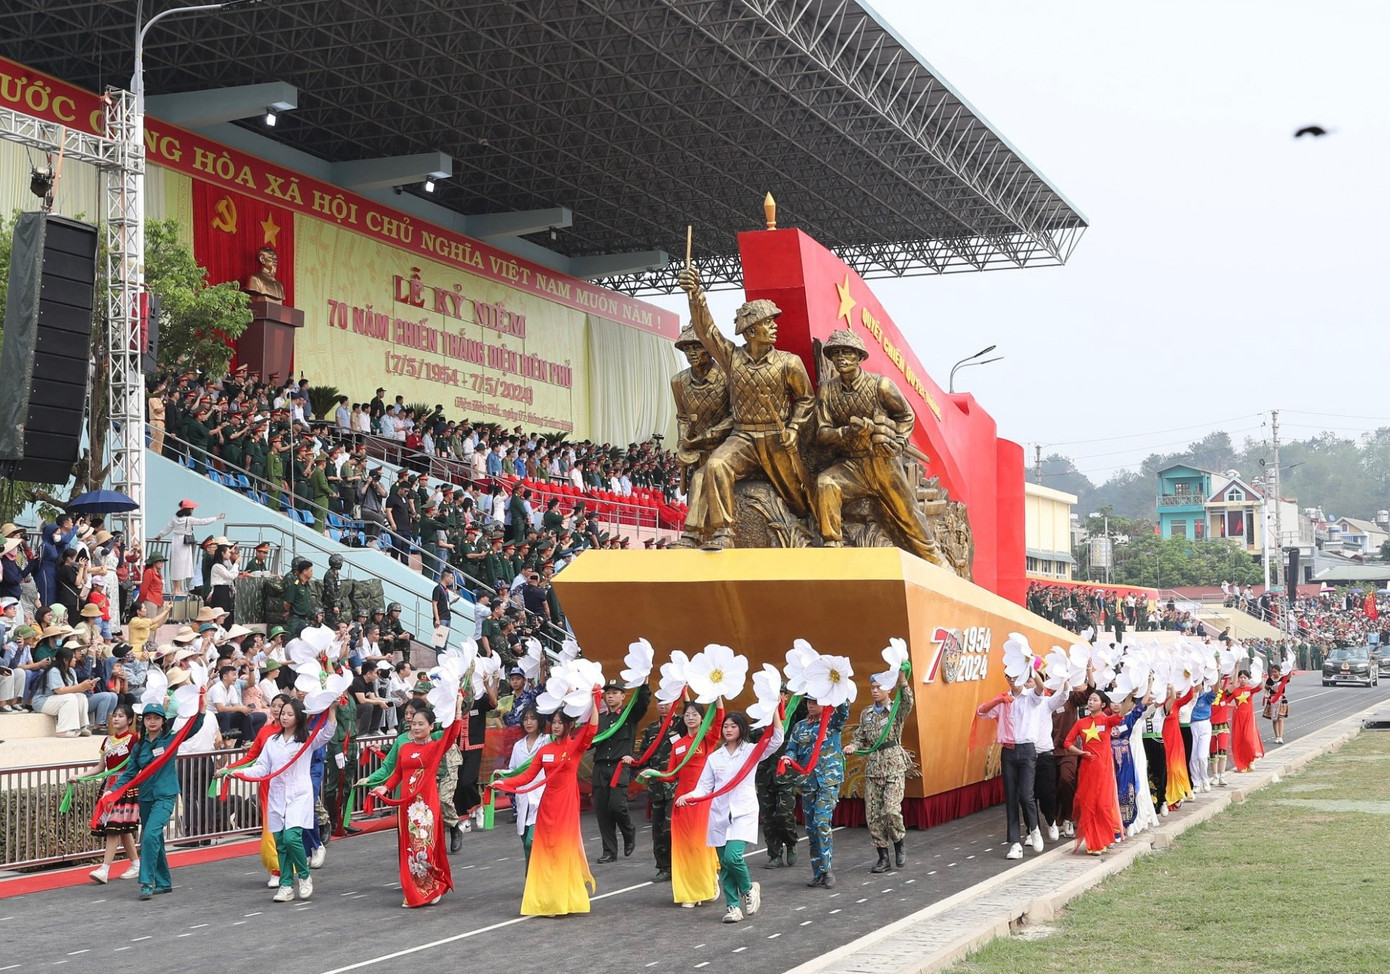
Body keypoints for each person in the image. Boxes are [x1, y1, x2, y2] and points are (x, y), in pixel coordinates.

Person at [677, 265, 815, 549]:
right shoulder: (731, 358)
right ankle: (723, 532)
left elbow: (805, 400)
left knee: (798, 500)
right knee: (716, 464)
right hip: (742, 436)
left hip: (776, 439)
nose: (775, 326)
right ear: (751, 331)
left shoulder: (789, 363)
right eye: (769, 322)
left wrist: (794, 428)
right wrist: (695, 294)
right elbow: (706, 330)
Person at [487, 697, 600, 916]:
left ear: (569, 725)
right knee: (546, 850)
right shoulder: (545, 750)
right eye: (554, 722)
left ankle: (561, 900)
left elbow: (592, 728)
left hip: (566, 805)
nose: (556, 726)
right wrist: (504, 783)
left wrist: (595, 697)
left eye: (560, 722)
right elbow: (527, 776)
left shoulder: (575, 746)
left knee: (561, 850)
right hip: (546, 805)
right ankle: (547, 899)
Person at [677, 711, 783, 924]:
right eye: (726, 726)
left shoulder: (751, 751)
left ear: (742, 728)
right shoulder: (714, 757)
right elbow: (704, 787)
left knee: (732, 857)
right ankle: (733, 907)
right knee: (725, 866)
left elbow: (777, 740)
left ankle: (748, 888)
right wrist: (688, 796)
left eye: (733, 726)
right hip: (719, 815)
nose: (728, 729)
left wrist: (773, 711)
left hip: (743, 812)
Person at [367, 696, 465, 908]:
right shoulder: (405, 747)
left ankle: (432, 886)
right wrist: (385, 787)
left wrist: (457, 707)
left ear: (431, 726)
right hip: (407, 806)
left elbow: (453, 733)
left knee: (425, 847)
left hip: (426, 806)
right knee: (410, 850)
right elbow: (397, 774)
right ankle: (416, 890)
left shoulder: (436, 747)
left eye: (421, 724)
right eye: (414, 724)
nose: (416, 727)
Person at [240, 697, 337, 902]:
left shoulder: (308, 739)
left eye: (289, 714)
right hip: (276, 795)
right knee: (281, 843)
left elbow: (328, 732)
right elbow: (261, 768)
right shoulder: (272, 742)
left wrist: (332, 709)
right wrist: (237, 773)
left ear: (299, 717)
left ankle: (303, 876)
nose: (284, 717)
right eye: (283, 713)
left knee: (292, 837)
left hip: (299, 794)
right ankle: (286, 885)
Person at [112, 700, 206, 899]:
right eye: (148, 718)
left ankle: (146, 881)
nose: (152, 722)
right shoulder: (138, 745)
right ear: (143, 721)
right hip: (146, 797)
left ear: (163, 721)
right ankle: (163, 882)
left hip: (165, 794)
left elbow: (192, 727)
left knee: (149, 836)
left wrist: (201, 708)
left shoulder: (171, 739)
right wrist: (111, 792)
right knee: (155, 839)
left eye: (156, 718)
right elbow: (130, 774)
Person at [843, 668, 914, 872]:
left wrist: (902, 680)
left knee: (890, 810)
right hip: (873, 767)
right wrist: (853, 746)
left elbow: (908, 702)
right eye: (872, 687)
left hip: (893, 765)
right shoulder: (866, 713)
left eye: (879, 687)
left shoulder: (895, 710)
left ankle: (899, 843)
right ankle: (883, 857)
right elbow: (860, 737)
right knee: (873, 815)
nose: (874, 691)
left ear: (888, 689)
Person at [659, 700, 723, 907]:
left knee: (698, 844)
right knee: (684, 846)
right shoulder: (677, 745)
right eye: (687, 714)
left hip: (702, 799)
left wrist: (718, 697)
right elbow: (671, 775)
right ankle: (689, 892)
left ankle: (708, 884)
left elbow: (720, 718)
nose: (691, 717)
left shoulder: (707, 739)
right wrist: (650, 774)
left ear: (702, 718)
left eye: (695, 714)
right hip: (682, 801)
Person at [787, 698, 850, 888]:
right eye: (808, 702)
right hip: (808, 783)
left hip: (828, 781)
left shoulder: (832, 722)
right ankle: (818, 872)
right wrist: (788, 759)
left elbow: (844, 709)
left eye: (815, 701)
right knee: (811, 829)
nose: (810, 705)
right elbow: (792, 749)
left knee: (822, 822)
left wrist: (836, 691)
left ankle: (827, 869)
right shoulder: (799, 727)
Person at [77, 703, 141, 884]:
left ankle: (105, 868)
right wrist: (80, 776)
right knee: (121, 827)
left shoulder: (135, 739)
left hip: (125, 786)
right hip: (109, 787)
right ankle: (136, 864)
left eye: (121, 716)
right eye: (114, 715)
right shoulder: (107, 741)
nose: (116, 718)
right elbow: (100, 767)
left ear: (129, 720)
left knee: (114, 826)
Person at [590, 680, 650, 863]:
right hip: (600, 766)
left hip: (619, 766)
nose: (610, 696)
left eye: (615, 693)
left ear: (623, 696)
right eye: (608, 693)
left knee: (617, 806)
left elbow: (642, 703)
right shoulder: (599, 717)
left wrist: (644, 683)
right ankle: (609, 851)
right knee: (602, 810)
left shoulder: (628, 715)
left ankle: (628, 831)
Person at [1063, 690, 1127, 855]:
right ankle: (1094, 843)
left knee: (1103, 805)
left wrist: (1131, 695)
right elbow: (1067, 742)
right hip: (1087, 768)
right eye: (1090, 700)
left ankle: (1105, 837)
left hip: (1104, 769)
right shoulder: (1081, 723)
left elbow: (1121, 715)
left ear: (1103, 705)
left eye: (1095, 700)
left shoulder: (1106, 721)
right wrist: (1081, 753)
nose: (1090, 702)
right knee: (1089, 804)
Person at [505, 705, 549, 867]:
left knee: (533, 841)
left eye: (533, 718)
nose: (529, 722)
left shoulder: (547, 741)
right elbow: (513, 771)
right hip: (523, 798)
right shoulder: (518, 745)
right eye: (525, 719)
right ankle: (530, 880)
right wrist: (501, 778)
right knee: (526, 843)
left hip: (542, 795)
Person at [152, 501, 223, 597]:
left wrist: (160, 535)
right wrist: (216, 518)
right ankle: (178, 589)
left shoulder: (175, 518)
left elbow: (167, 528)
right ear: (188, 510)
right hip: (184, 542)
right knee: (182, 565)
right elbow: (203, 521)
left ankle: (175, 588)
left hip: (176, 541)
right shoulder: (188, 519)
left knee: (175, 565)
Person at [33, 646, 99, 737]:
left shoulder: (71, 671)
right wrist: (81, 686)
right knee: (70, 698)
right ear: (65, 660)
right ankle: (63, 730)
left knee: (81, 697)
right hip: (43, 701)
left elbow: (76, 689)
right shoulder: (54, 671)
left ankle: (82, 726)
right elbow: (59, 690)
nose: (75, 660)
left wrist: (85, 687)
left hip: (57, 699)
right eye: (73, 658)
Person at [1228, 673, 1265, 772]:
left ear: (1248, 679)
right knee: (1238, 740)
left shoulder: (1250, 689)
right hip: (1238, 718)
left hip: (1248, 718)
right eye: (1241, 677)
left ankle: (1250, 760)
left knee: (1248, 739)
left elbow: (1260, 687)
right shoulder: (1235, 691)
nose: (1243, 679)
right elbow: (1226, 700)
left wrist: (1261, 677)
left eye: (1245, 677)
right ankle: (1240, 763)